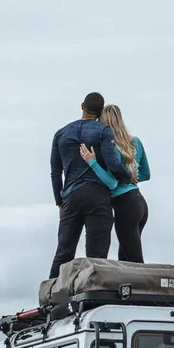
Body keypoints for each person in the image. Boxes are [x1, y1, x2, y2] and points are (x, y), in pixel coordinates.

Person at [48, 92, 132, 279]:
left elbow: (55, 172)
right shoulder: (103, 131)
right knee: (96, 255)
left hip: (70, 197)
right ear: (101, 112)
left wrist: (59, 201)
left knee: (64, 250)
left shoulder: (61, 134)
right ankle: (93, 300)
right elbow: (113, 165)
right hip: (97, 196)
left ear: (82, 106)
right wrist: (127, 177)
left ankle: (50, 297)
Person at [79, 103, 151, 263]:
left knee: (135, 262)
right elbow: (146, 174)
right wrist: (132, 177)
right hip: (139, 202)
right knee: (125, 261)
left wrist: (92, 163)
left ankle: (146, 287)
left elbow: (112, 182)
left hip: (124, 205)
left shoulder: (111, 149)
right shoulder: (135, 141)